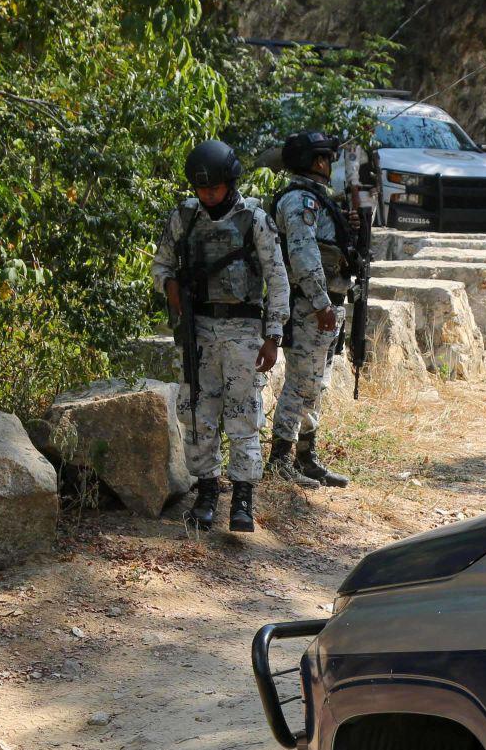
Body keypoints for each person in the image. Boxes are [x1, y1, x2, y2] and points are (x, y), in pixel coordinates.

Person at [151, 140, 290, 534]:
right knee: (197, 412)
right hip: (198, 330)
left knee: (244, 413)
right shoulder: (185, 218)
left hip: (244, 329)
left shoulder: (255, 220)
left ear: (230, 182)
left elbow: (277, 278)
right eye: (201, 188)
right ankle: (207, 490)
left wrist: (274, 334)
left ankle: (243, 496)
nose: (208, 194)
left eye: (214, 187)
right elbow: (161, 264)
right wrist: (170, 286)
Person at [265, 130, 354, 488]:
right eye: (328, 159)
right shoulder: (300, 201)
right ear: (317, 162)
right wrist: (320, 302)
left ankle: (306, 457)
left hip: (326, 304)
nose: (331, 165)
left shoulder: (317, 199)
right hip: (310, 306)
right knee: (300, 383)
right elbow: (303, 256)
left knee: (317, 384)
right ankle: (280, 460)